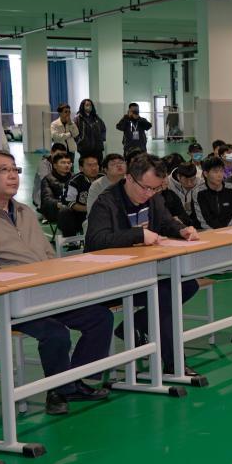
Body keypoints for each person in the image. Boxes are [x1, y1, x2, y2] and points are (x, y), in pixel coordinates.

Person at [0, 150, 112, 415]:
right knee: (56, 333)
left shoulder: (24, 212)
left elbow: (47, 254)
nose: (13, 176)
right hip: (6, 302)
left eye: (15, 170)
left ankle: (74, 380)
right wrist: (25, 281)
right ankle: (59, 390)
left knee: (100, 317)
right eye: (3, 170)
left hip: (44, 293)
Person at [85, 153, 202, 379]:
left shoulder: (153, 198)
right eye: (146, 188)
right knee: (165, 294)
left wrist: (181, 230)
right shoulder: (106, 202)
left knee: (187, 285)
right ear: (129, 178)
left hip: (141, 273)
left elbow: (166, 222)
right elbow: (96, 240)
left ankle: (134, 325)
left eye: (155, 189)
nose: (149, 194)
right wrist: (138, 234)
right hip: (108, 278)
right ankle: (174, 362)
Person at [190, 156, 232, 229]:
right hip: (206, 231)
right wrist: (215, 232)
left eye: (221, 171)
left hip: (227, 230)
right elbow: (202, 219)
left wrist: (225, 230)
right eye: (215, 172)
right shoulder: (198, 192)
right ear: (206, 174)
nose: (220, 175)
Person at [61, 153, 100, 237]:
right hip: (80, 215)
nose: (93, 168)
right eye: (89, 165)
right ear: (81, 168)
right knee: (65, 212)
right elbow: (70, 202)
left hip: (103, 214)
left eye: (95, 164)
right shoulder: (74, 182)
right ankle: (71, 241)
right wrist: (90, 209)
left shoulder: (104, 178)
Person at [38, 151, 75, 230]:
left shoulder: (75, 177)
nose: (67, 165)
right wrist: (60, 204)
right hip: (54, 210)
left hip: (74, 207)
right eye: (63, 163)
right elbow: (47, 199)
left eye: (69, 163)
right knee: (66, 212)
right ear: (55, 165)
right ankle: (70, 236)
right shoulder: (47, 179)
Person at [75, 98, 107, 166]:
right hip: (85, 148)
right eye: (87, 105)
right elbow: (74, 132)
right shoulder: (78, 118)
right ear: (83, 106)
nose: (89, 107)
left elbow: (103, 128)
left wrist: (102, 138)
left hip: (97, 148)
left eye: (90, 105)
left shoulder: (96, 117)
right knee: (87, 165)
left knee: (99, 165)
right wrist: (80, 141)